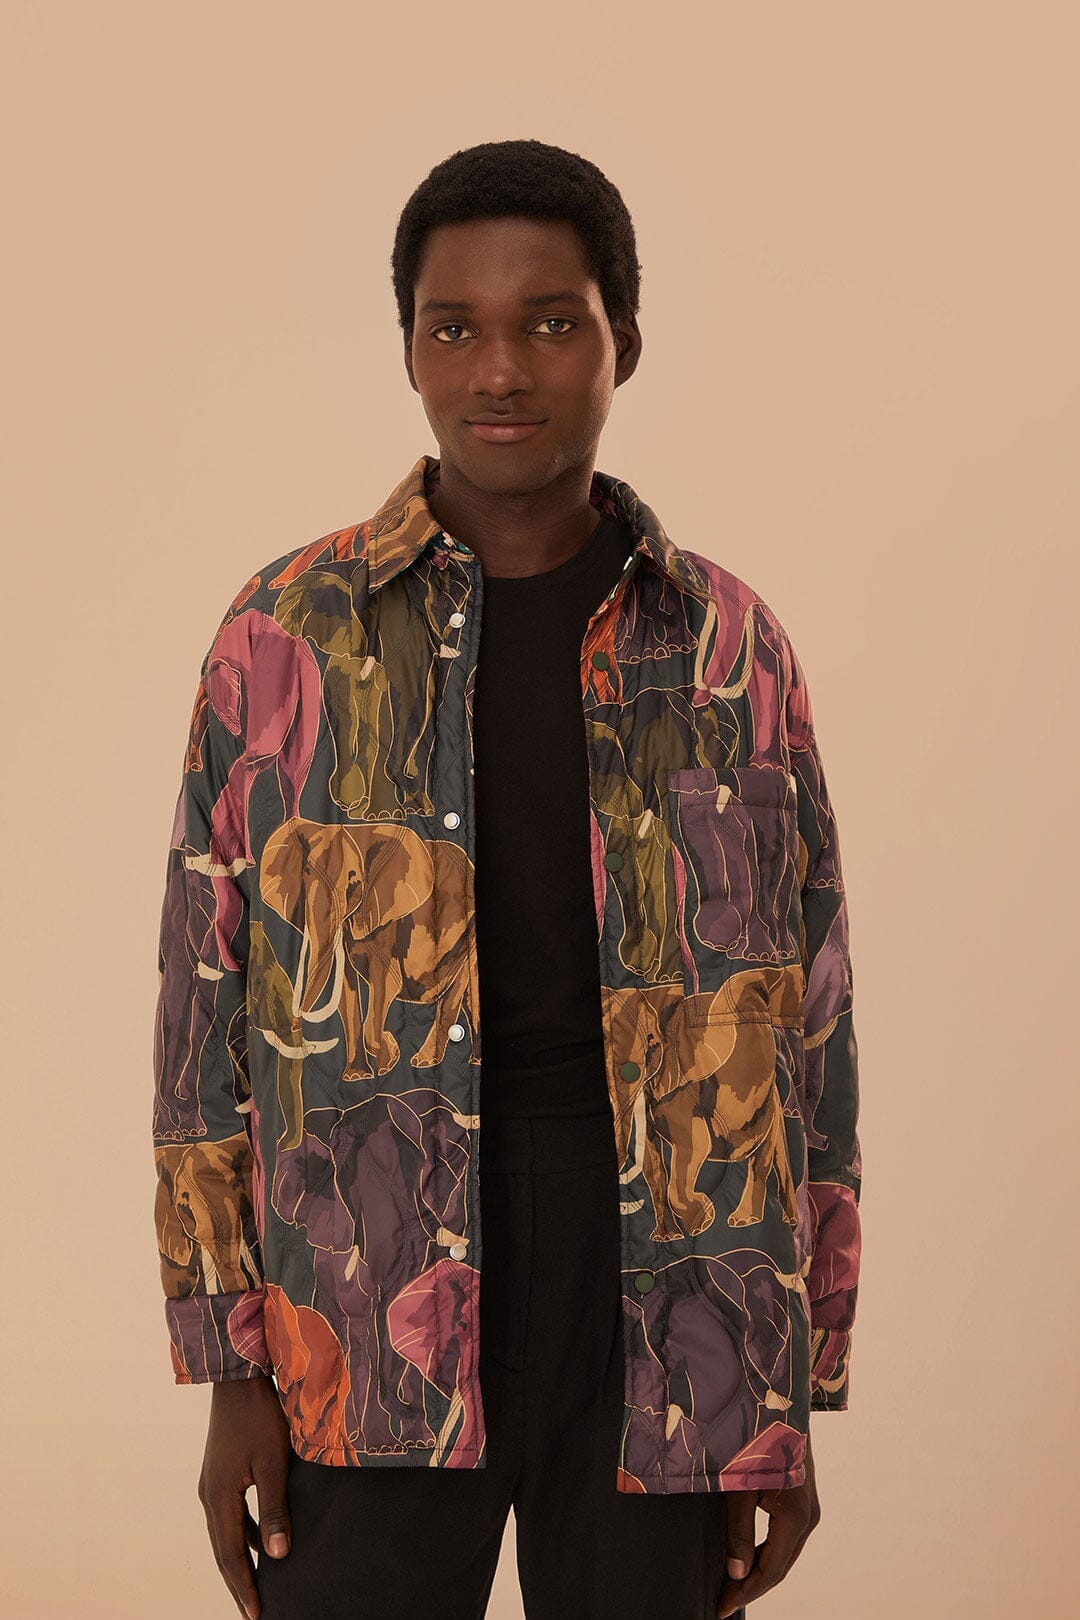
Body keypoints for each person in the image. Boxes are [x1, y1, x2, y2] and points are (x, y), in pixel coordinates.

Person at [150, 138, 862, 1620]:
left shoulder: (730, 650)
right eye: (454, 326)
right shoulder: (282, 640)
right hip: (366, 1287)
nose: (500, 370)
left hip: (666, 1297)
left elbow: (810, 1028)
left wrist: (780, 1385)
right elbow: (201, 1020)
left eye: (550, 322)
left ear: (623, 342)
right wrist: (228, 1367)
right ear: (408, 349)